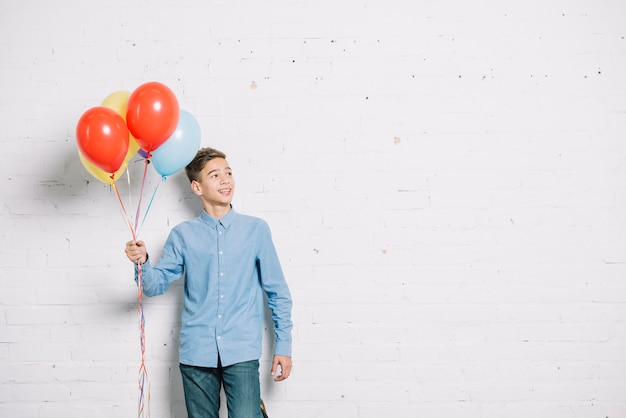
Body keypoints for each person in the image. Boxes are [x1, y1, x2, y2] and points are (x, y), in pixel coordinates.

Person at [125, 147, 293, 418]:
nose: (225, 180)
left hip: (241, 351)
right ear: (197, 187)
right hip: (196, 354)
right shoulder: (182, 235)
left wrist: (283, 346)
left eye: (228, 173)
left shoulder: (256, 230)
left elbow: (278, 292)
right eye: (215, 175)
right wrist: (142, 261)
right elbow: (155, 286)